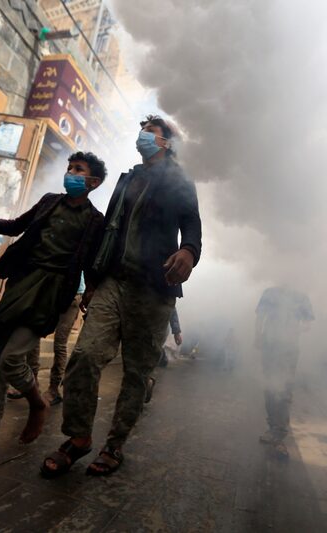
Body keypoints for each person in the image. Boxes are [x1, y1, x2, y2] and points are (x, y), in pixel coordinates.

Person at [41, 115, 202, 478]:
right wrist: (94, 279)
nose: (143, 137)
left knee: (136, 372)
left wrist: (189, 252)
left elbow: (192, 223)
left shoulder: (179, 180)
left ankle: (115, 445)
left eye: (151, 133)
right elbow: (109, 229)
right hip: (114, 281)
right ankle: (79, 438)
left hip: (154, 288)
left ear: (167, 143)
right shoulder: (127, 178)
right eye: (142, 131)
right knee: (84, 355)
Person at [0, 152, 105, 461]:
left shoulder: (95, 220)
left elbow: (91, 263)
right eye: (69, 168)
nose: (70, 173)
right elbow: (18, 225)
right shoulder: (49, 201)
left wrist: (91, 294)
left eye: (78, 170)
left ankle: (37, 402)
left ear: (93, 182)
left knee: (11, 359)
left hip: (50, 292)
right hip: (22, 281)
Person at [255, 286, 315, 459]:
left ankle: (279, 435)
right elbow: (260, 316)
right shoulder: (269, 292)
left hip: (289, 348)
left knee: (283, 388)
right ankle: (272, 427)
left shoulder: (302, 295)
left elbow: (308, 323)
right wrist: (257, 335)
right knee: (269, 386)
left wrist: (292, 330)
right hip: (269, 344)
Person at [6, 273, 84, 405]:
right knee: (34, 332)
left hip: (73, 294)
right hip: (51, 291)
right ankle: (32, 382)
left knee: (60, 343)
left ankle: (54, 389)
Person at [145, 308, 183, 403]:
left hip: (157, 328)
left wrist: (176, 331)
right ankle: (145, 381)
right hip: (140, 325)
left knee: (148, 356)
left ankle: (146, 381)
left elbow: (171, 307)